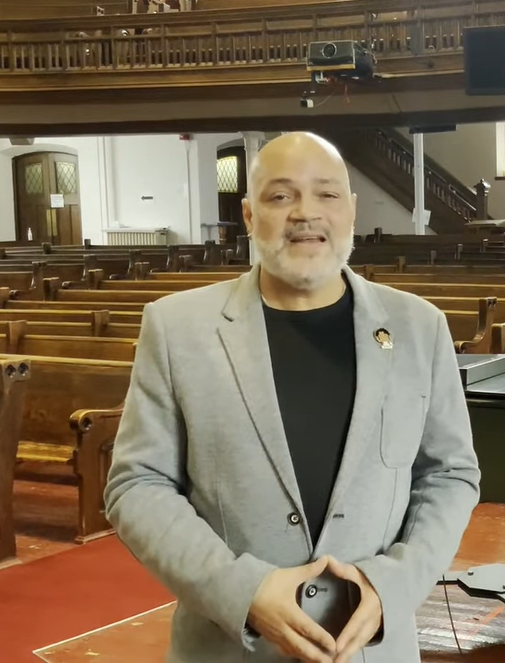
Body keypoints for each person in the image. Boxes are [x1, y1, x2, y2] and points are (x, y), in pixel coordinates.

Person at [104, 132, 481, 663]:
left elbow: (449, 475)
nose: (306, 213)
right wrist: (243, 591)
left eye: (326, 195)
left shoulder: (419, 327)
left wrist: (389, 587)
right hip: (229, 648)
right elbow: (137, 485)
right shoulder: (177, 327)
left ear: (350, 211)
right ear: (249, 215)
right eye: (280, 196)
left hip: (372, 649)